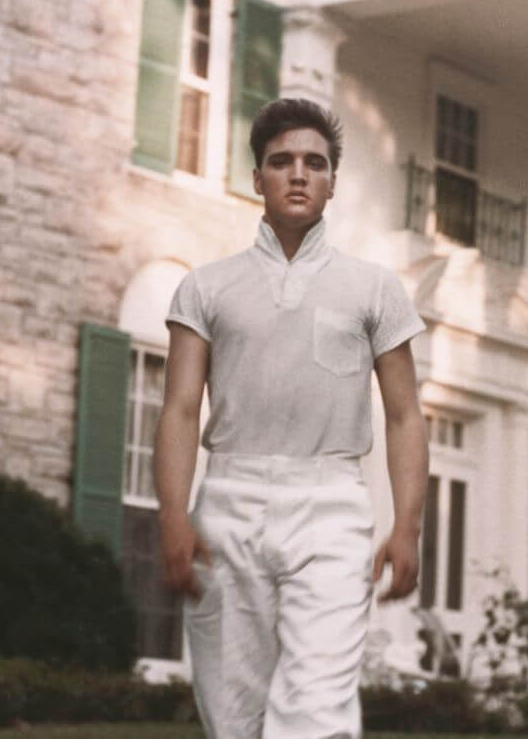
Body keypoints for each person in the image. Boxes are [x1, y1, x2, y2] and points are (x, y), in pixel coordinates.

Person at [155, 97, 429, 739]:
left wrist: (407, 525)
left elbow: (405, 415)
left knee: (314, 714)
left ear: (334, 180)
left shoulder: (375, 289)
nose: (298, 174)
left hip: (331, 507)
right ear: (258, 179)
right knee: (233, 714)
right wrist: (173, 515)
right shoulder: (206, 287)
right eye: (281, 162)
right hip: (227, 504)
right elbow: (178, 408)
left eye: (315, 162)